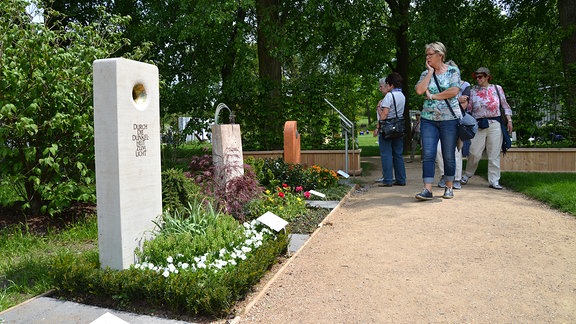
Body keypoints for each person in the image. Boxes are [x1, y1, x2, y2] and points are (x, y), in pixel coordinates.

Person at [414, 42, 461, 200]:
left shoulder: (453, 71)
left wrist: (433, 96)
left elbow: (454, 91)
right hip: (428, 120)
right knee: (428, 154)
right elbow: (420, 90)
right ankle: (427, 189)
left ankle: (449, 186)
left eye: (430, 54)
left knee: (448, 154)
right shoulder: (425, 73)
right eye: (426, 54)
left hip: (449, 120)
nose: (427, 57)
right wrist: (429, 72)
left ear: (440, 55)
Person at [461, 67, 513, 189]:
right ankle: (468, 174)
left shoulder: (497, 88)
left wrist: (509, 120)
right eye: (476, 77)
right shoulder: (473, 91)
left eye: (481, 77)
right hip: (478, 124)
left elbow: (505, 105)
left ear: (487, 77)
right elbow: (469, 109)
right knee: (474, 152)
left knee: (494, 153)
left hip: (495, 123)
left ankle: (494, 180)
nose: (478, 79)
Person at [436, 77, 471, 190]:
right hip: (439, 120)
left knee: (455, 151)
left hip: (456, 121)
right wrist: (457, 99)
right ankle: (444, 175)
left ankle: (456, 178)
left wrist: (450, 98)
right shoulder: (439, 84)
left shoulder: (464, 85)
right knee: (439, 150)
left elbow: (464, 106)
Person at [376, 72, 407, 186]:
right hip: (398, 127)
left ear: (391, 84)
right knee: (398, 154)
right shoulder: (402, 96)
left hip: (388, 127)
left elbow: (384, 114)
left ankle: (388, 180)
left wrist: (379, 123)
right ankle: (401, 179)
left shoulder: (389, 96)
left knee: (386, 154)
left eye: (388, 83)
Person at [374, 79, 389, 183]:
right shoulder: (386, 98)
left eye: (381, 86)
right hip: (386, 129)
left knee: (385, 154)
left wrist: (377, 128)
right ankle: (386, 175)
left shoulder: (386, 99)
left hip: (385, 129)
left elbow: (383, 115)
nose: (380, 88)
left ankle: (386, 176)